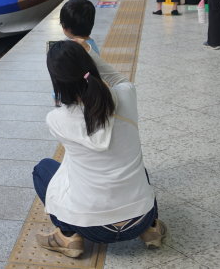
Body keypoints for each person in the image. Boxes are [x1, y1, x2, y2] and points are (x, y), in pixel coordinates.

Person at [33, 40, 164, 258]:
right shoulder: (127, 96)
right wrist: (87, 55)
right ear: (90, 67)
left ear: (57, 81)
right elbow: (119, 80)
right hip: (140, 218)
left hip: (91, 228)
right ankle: (151, 229)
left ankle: (68, 235)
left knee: (43, 169)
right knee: (139, 170)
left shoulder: (56, 119)